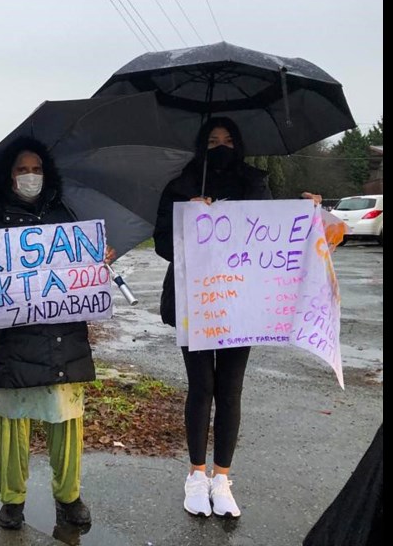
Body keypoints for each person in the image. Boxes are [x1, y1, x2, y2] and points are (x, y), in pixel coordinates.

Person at [153, 116, 322, 519]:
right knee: (201, 386)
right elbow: (162, 242)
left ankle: (222, 476)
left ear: (240, 144)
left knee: (230, 389)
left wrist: (310, 213)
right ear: (201, 144)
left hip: (243, 302)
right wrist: (187, 220)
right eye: (213, 140)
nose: (221, 146)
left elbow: (279, 231)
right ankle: (196, 473)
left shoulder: (255, 182)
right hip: (195, 302)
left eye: (228, 140)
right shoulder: (180, 184)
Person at [0, 136, 116, 532]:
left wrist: (98, 261)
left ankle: (69, 496)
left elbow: (82, 274)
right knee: (11, 423)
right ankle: (11, 500)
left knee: (66, 420)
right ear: (8, 175)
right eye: (21, 169)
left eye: (36, 169)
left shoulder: (66, 215)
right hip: (13, 340)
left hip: (61, 337)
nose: (30, 176)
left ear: (46, 173)